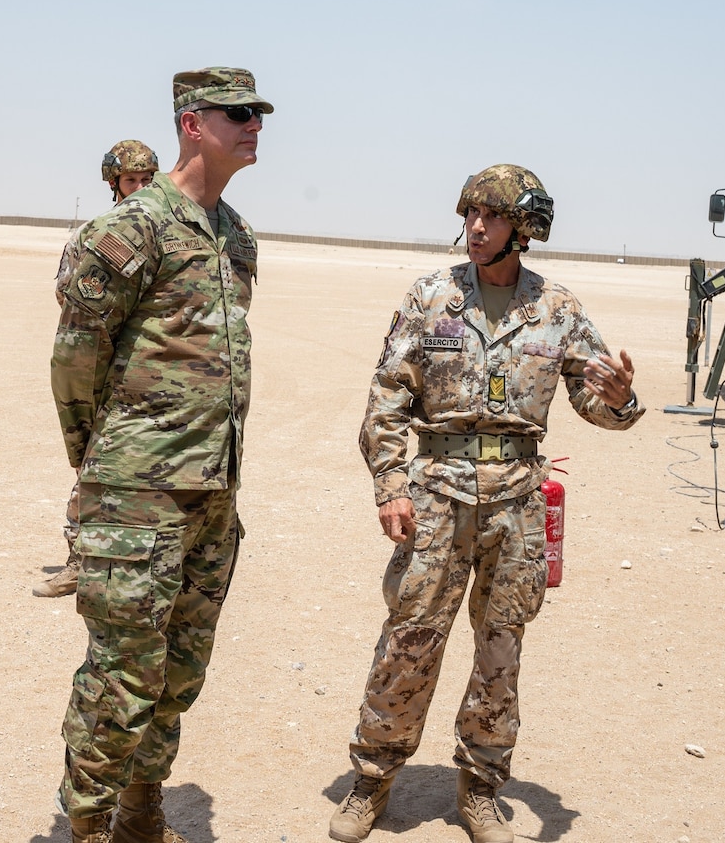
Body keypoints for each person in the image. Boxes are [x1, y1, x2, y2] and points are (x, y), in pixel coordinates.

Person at [329, 165, 643, 843]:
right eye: (470, 213)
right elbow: (386, 399)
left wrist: (619, 399)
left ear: (523, 229)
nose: (475, 227)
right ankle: (371, 778)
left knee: (500, 648)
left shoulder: (556, 308)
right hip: (437, 492)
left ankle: (478, 787)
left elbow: (597, 401)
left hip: (516, 503)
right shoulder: (430, 297)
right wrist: (389, 487)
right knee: (409, 638)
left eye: (492, 217)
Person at [52, 68, 268, 843]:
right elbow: (76, 361)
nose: (254, 126)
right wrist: (103, 467)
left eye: (257, 114)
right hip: (137, 493)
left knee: (177, 675)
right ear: (191, 123)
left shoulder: (234, 235)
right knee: (122, 675)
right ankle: (84, 825)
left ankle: (140, 814)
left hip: (211, 493)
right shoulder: (132, 228)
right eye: (237, 114)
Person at [34, 138, 160, 598]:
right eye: (132, 180)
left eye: (149, 179)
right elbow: (71, 297)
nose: (142, 186)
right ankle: (78, 559)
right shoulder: (95, 235)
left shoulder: (170, 228)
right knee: (94, 465)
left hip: (150, 376)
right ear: (114, 183)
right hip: (105, 371)